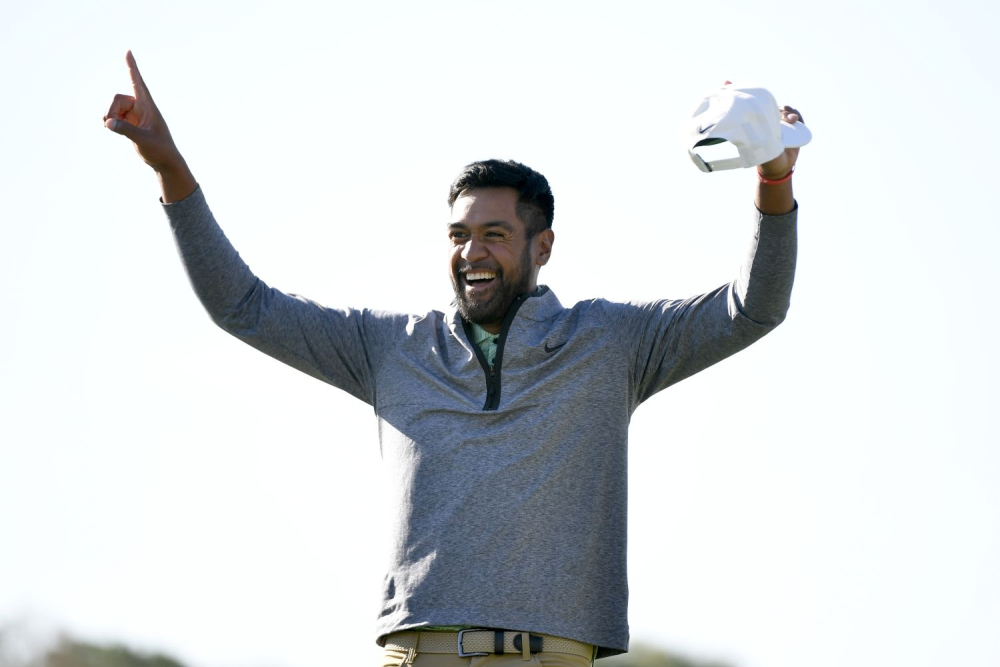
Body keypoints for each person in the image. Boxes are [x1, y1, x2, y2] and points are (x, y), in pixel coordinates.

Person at [105, 51, 801, 666]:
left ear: (543, 246)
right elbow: (244, 307)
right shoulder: (389, 347)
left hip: (549, 656)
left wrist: (773, 179)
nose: (472, 253)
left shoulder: (612, 343)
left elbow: (753, 308)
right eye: (459, 235)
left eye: (494, 234)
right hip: (417, 653)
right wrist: (170, 168)